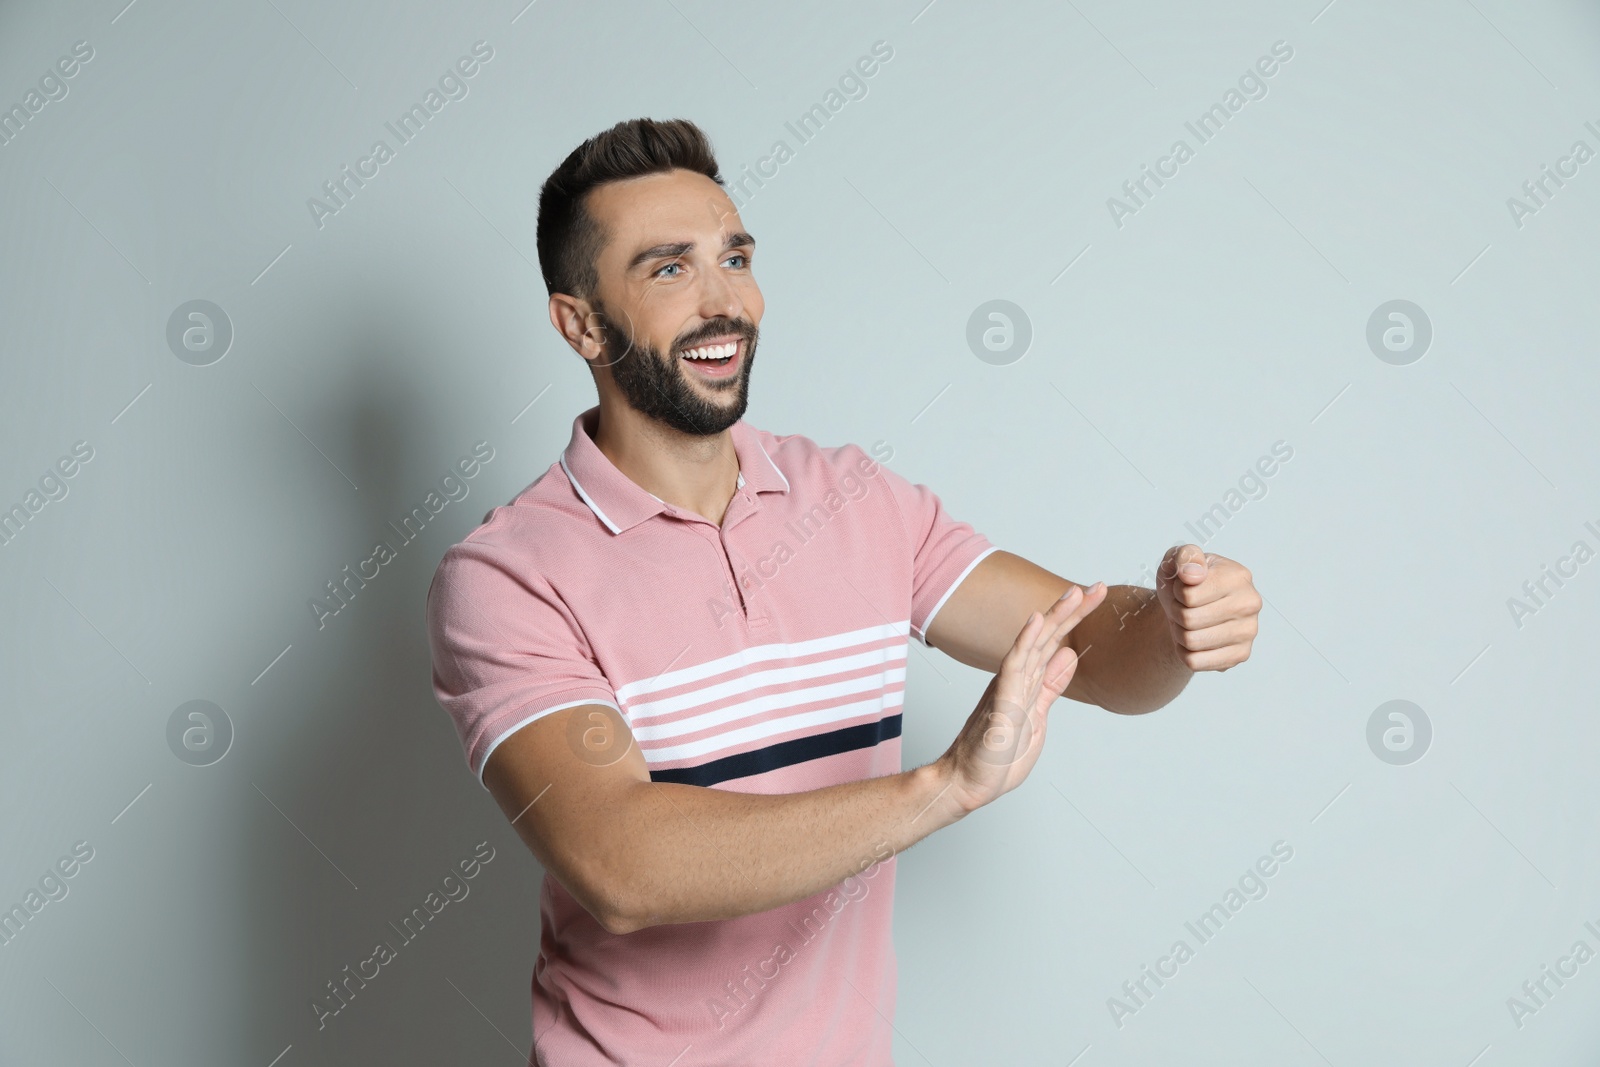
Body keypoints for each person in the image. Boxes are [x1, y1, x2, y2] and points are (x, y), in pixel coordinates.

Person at [425, 117, 1262, 1066]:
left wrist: (1176, 622)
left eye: (734, 258)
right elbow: (623, 863)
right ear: (578, 321)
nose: (723, 302)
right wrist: (944, 787)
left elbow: (1096, 650)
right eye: (668, 270)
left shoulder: (854, 499)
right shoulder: (507, 575)